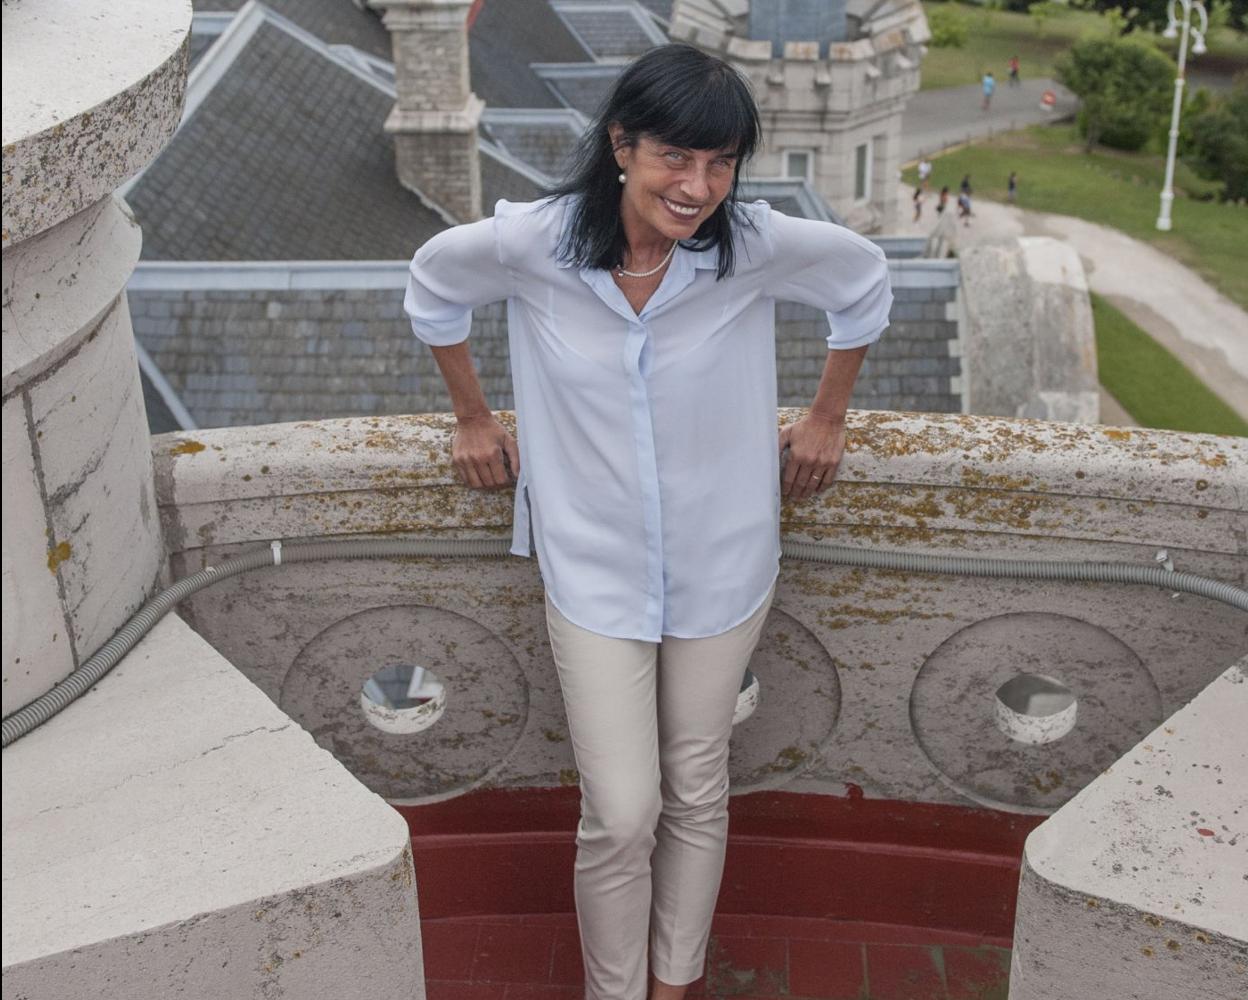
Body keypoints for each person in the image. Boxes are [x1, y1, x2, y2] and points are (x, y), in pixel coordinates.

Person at [402, 43, 891, 1000]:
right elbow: (432, 287)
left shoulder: (750, 246)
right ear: (622, 144)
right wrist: (471, 415)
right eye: (676, 157)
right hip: (589, 569)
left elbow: (863, 284)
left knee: (698, 790)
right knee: (622, 812)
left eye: (721, 163)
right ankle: (614, 991)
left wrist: (828, 416)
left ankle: (677, 984)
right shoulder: (531, 243)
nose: (699, 186)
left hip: (725, 561)